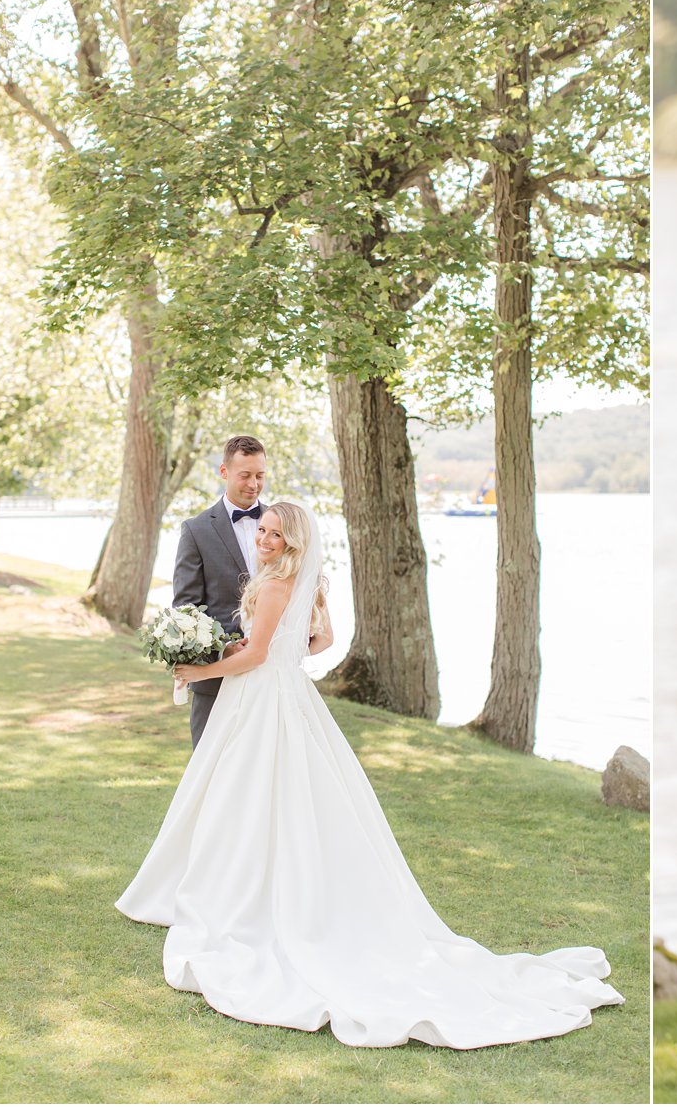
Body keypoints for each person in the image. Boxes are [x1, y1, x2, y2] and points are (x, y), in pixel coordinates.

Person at [117, 503, 624, 1048]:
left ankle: (241, 895)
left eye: (273, 533)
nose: (263, 538)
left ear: (292, 542)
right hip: (289, 695)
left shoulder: (271, 587)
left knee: (244, 795)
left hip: (262, 699)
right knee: (275, 795)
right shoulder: (303, 582)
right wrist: (265, 648)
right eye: (261, 530)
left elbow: (259, 654)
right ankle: (257, 883)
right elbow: (321, 641)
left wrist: (204, 669)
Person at [173, 435, 269, 748]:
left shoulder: (284, 525)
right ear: (224, 472)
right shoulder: (196, 530)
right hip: (215, 681)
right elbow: (186, 611)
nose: (253, 484)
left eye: (260, 475)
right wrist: (223, 649)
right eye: (245, 475)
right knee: (210, 776)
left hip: (272, 680)